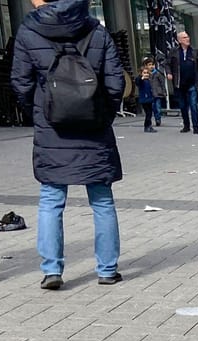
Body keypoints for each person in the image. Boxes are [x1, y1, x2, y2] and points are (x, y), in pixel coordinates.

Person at [11, 0, 125, 289]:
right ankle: (107, 270)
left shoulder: (28, 30)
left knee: (51, 199)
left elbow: (21, 83)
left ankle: (52, 271)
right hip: (93, 126)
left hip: (52, 126)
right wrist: (100, 114)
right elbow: (115, 83)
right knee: (101, 199)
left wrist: (39, 112)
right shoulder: (96, 30)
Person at [166, 31, 198, 133]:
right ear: (179, 40)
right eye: (185, 37)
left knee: (194, 105)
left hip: (192, 83)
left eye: (188, 37)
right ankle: (186, 125)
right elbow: (167, 63)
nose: (187, 39)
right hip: (179, 84)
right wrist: (169, 73)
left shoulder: (195, 52)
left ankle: (196, 127)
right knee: (183, 106)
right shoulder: (174, 52)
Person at [138, 57, 158, 132]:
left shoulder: (149, 80)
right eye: (144, 73)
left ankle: (149, 126)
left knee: (150, 113)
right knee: (148, 113)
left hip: (149, 98)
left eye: (147, 73)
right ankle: (147, 126)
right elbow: (138, 81)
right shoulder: (142, 80)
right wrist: (141, 78)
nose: (146, 74)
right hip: (144, 99)